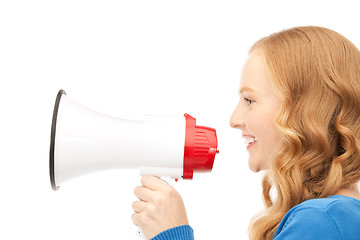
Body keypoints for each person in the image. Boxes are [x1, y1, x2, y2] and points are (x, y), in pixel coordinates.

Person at [131, 26, 360, 240]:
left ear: (304, 110)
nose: (234, 120)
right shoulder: (338, 217)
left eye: (250, 100)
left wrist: (172, 233)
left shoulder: (322, 222)